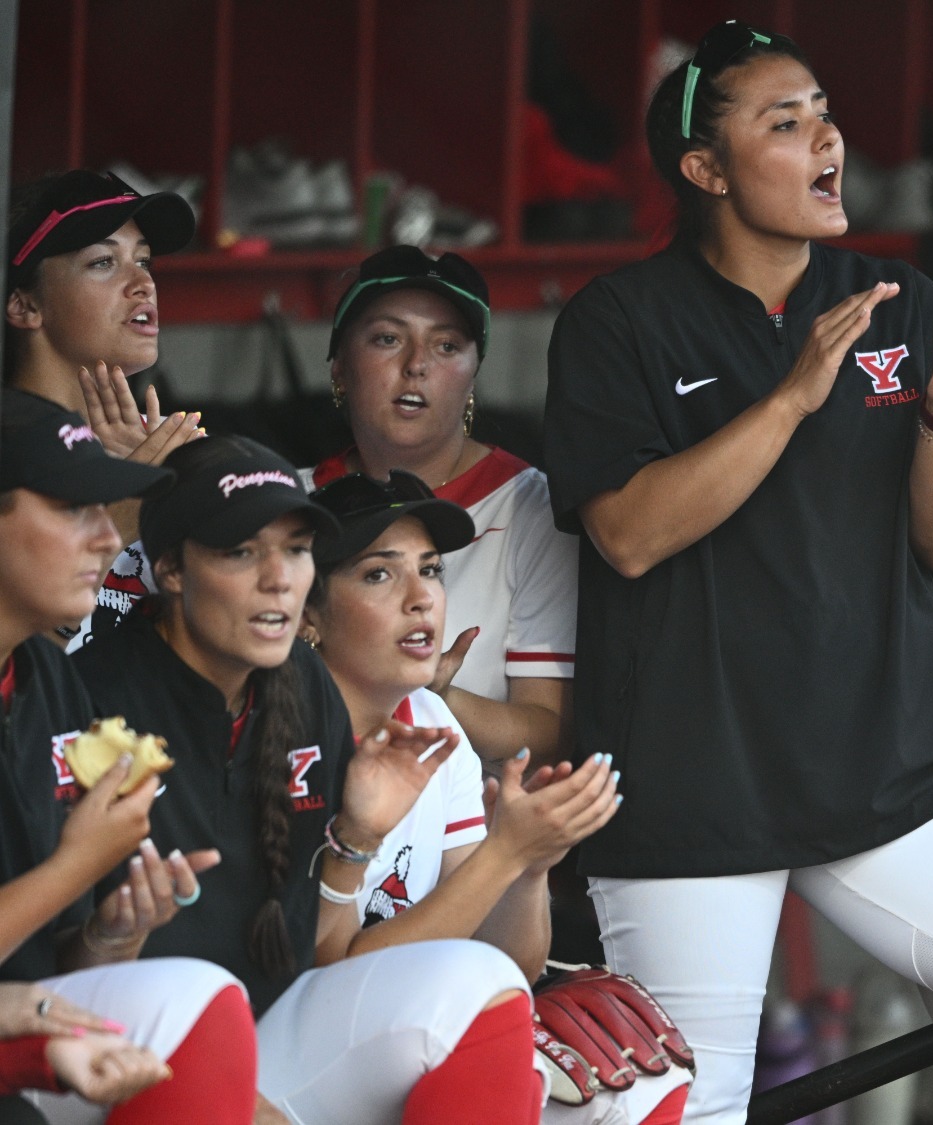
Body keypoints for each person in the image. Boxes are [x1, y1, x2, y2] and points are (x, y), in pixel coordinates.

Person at [543, 21, 933, 1125]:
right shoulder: (616, 318)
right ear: (704, 168)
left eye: (823, 110)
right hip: (694, 784)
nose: (825, 136)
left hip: (881, 765)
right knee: (693, 1102)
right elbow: (628, 533)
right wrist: (788, 397)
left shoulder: (899, 300)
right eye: (784, 121)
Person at [70, 435, 545, 1124]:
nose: (279, 579)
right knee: (198, 997)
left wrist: (356, 837)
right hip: (94, 1034)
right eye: (242, 551)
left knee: (484, 980)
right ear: (170, 568)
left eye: (296, 550)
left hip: (262, 1029)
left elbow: (312, 954)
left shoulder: (305, 692)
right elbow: (42, 964)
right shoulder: (89, 694)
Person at [303, 469, 690, 1124]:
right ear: (309, 612)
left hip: (392, 1029)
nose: (421, 597)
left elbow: (509, 962)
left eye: (431, 570)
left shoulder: (433, 719)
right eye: (379, 574)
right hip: (291, 1041)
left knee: (637, 1088)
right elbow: (334, 969)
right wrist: (503, 854)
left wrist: (530, 865)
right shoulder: (286, 730)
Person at [0, 389, 257, 1123]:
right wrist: (74, 866)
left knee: (195, 999)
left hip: (26, 1027)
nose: (108, 540)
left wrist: (111, 935)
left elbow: (55, 971)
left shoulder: (47, 676)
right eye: (73, 508)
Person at [309, 247, 577, 765]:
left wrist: (436, 693)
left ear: (473, 377)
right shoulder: (291, 500)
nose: (416, 366)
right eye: (388, 339)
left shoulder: (529, 507)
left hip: (481, 836)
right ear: (340, 367)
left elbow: (551, 733)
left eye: (447, 345)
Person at [5, 170, 204, 555]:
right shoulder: (10, 457)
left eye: (143, 261)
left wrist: (196, 490)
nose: (143, 283)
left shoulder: (165, 446)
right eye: (103, 262)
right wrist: (125, 514)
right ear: (24, 304)